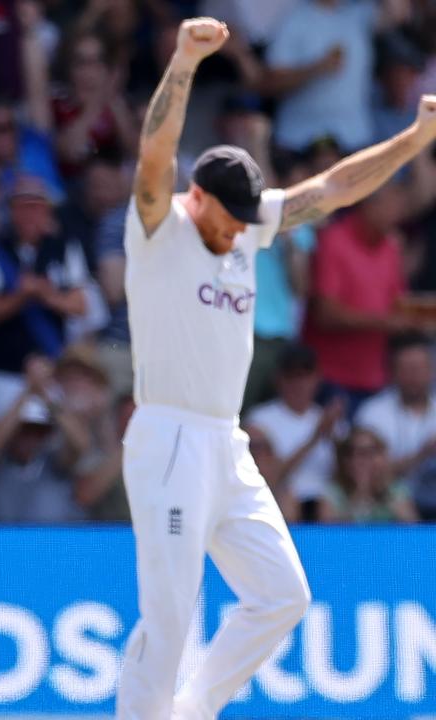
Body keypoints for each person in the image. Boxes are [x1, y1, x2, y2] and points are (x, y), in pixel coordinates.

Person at [117, 16, 436, 720]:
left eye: (242, 221)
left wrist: (414, 142)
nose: (235, 233)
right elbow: (153, 156)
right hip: (167, 435)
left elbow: (335, 188)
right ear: (195, 197)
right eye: (223, 220)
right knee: (168, 616)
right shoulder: (158, 227)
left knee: (283, 596)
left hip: (225, 444)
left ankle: (194, 710)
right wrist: (184, 60)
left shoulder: (248, 223)